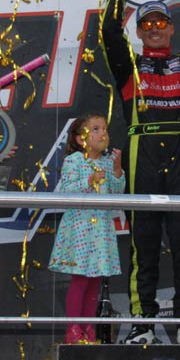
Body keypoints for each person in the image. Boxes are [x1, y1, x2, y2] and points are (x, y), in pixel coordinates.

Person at [100, 0, 180, 345]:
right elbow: (109, 31)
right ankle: (142, 324)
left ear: (171, 28)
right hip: (142, 153)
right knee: (143, 245)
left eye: (160, 23)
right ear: (138, 31)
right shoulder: (128, 67)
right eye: (147, 24)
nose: (154, 29)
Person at [49, 113, 125, 344]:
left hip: (101, 229)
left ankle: (88, 327)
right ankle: (73, 328)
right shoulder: (74, 161)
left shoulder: (107, 162)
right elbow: (65, 191)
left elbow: (117, 192)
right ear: (81, 138)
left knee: (95, 280)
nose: (103, 134)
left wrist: (117, 170)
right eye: (95, 129)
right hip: (80, 227)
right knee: (80, 279)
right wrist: (89, 181)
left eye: (104, 129)